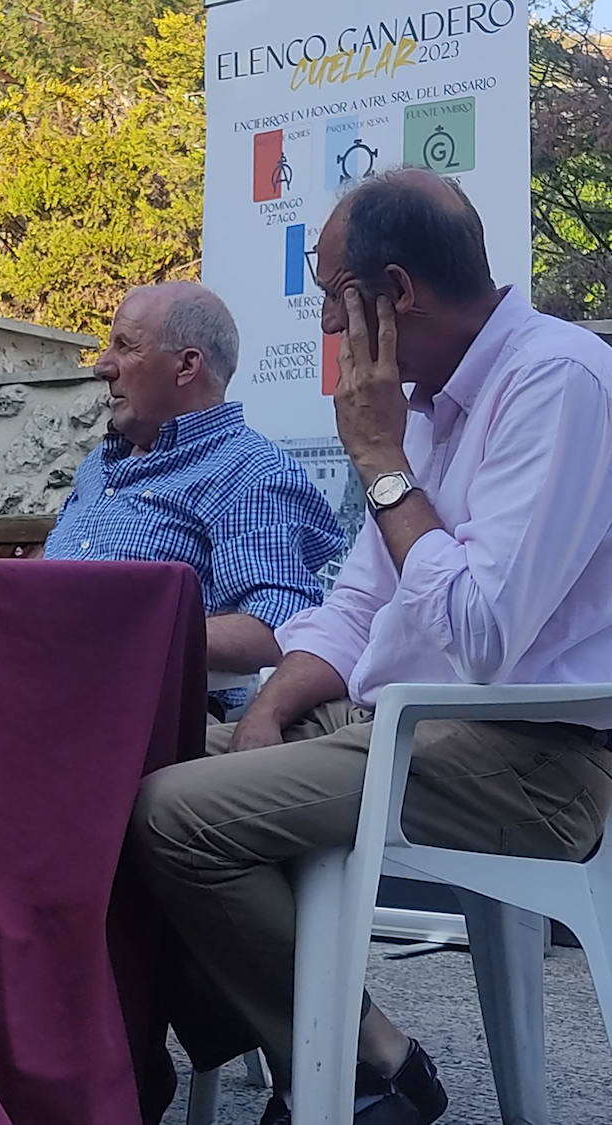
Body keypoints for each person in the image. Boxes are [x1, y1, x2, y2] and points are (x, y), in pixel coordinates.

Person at [132, 170, 612, 1125]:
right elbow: (353, 608)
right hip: (395, 732)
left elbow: (479, 635)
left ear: (394, 296)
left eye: (328, 301)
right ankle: (349, 1064)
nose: (323, 334)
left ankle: (361, 1068)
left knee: (171, 813)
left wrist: (385, 467)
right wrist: (267, 712)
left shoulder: (558, 381)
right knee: (117, 778)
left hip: (530, 763)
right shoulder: (427, 407)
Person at [44, 281, 345, 690]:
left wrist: (128, 634)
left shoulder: (251, 472)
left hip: (151, 709)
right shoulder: (100, 464)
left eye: (125, 347)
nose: (102, 366)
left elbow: (279, 626)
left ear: (186, 367)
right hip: (43, 686)